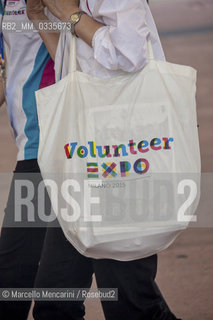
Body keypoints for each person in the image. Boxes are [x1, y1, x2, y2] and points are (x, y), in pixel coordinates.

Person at [26, 1, 182, 320]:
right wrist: (41, 17)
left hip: (122, 159)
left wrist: (71, 14)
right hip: (86, 160)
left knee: (131, 303)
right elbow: (75, 68)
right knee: (55, 299)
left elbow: (131, 53)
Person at [0, 0, 58, 319]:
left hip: (51, 143)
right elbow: (10, 72)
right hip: (30, 143)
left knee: (14, 275)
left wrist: (39, 14)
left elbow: (82, 58)